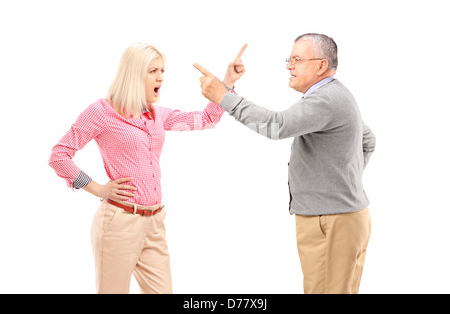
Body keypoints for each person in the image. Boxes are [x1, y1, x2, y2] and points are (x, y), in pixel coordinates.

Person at [48, 42, 245, 294]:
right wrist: (98, 189)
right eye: (153, 71)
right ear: (133, 73)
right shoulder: (101, 112)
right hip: (119, 223)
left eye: (162, 71)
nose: (161, 77)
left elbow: (205, 120)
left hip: (154, 222)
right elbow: (59, 155)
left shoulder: (157, 115)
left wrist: (227, 83)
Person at [194, 33, 376, 294]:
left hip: (332, 218)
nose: (289, 65)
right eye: (289, 59)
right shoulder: (334, 96)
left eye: (297, 59)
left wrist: (224, 95)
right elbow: (368, 139)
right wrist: (343, 183)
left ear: (321, 65)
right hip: (334, 216)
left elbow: (275, 127)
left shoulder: (326, 100)